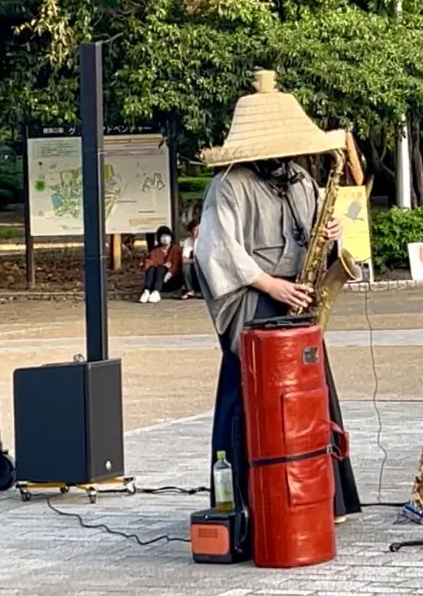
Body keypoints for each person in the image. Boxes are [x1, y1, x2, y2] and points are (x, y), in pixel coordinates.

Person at [195, 69, 361, 526]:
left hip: (300, 296)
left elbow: (315, 242)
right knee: (246, 396)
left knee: (313, 390)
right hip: (256, 301)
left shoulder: (303, 181)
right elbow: (217, 252)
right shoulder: (229, 186)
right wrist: (271, 285)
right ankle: (245, 500)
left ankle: (327, 497)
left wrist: (330, 235)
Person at [139, 225, 182, 303]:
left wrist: (169, 272)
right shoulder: (155, 250)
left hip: (170, 279)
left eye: (167, 236)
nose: (165, 238)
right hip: (157, 279)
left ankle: (156, 291)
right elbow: (149, 261)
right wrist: (161, 264)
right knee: (152, 268)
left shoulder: (176, 250)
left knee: (160, 268)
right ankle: (147, 291)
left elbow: (176, 265)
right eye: (163, 236)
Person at [180, 219, 201, 298]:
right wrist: (193, 260)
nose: (197, 232)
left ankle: (201, 290)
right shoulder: (188, 241)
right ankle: (190, 290)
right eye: (195, 230)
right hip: (194, 264)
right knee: (186, 266)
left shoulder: (206, 239)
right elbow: (184, 259)